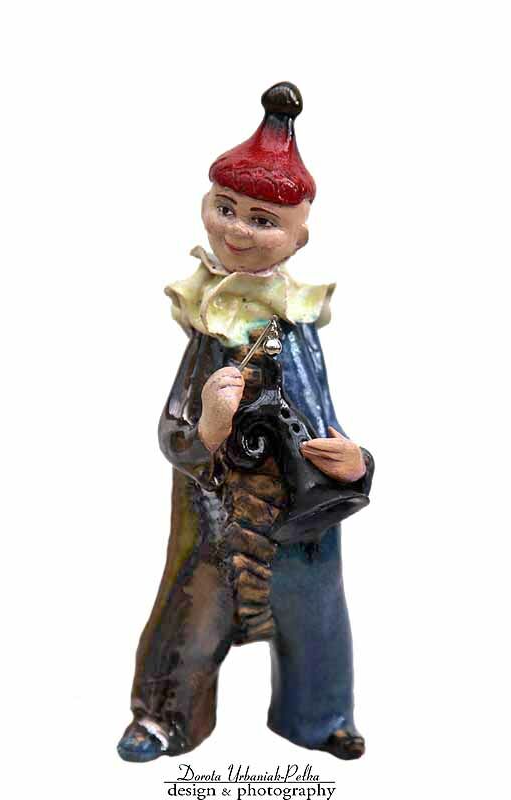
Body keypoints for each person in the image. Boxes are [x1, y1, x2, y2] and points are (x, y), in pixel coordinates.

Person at [117, 82, 374, 763]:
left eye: (262, 220)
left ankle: (319, 716)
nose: (235, 230)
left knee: (314, 618)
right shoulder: (210, 327)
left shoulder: (298, 329)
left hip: (295, 507)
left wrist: (356, 464)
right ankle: (165, 716)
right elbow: (172, 431)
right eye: (225, 208)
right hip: (218, 504)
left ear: (297, 237)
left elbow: (324, 419)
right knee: (193, 613)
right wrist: (206, 426)